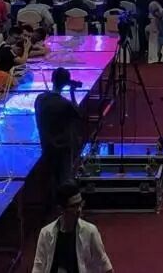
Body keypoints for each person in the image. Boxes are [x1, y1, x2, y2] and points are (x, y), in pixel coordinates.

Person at [32, 182, 114, 273]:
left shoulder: (90, 231)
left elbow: (104, 264)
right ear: (60, 209)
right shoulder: (45, 233)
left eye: (80, 204)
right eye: (74, 206)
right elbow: (38, 267)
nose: (79, 210)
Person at [34, 68, 85, 204]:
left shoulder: (40, 99)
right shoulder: (65, 104)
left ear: (52, 79)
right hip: (63, 146)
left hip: (46, 143)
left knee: (52, 176)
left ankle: (52, 202)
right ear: (66, 83)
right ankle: (65, 203)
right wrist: (72, 93)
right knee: (64, 177)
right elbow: (78, 114)